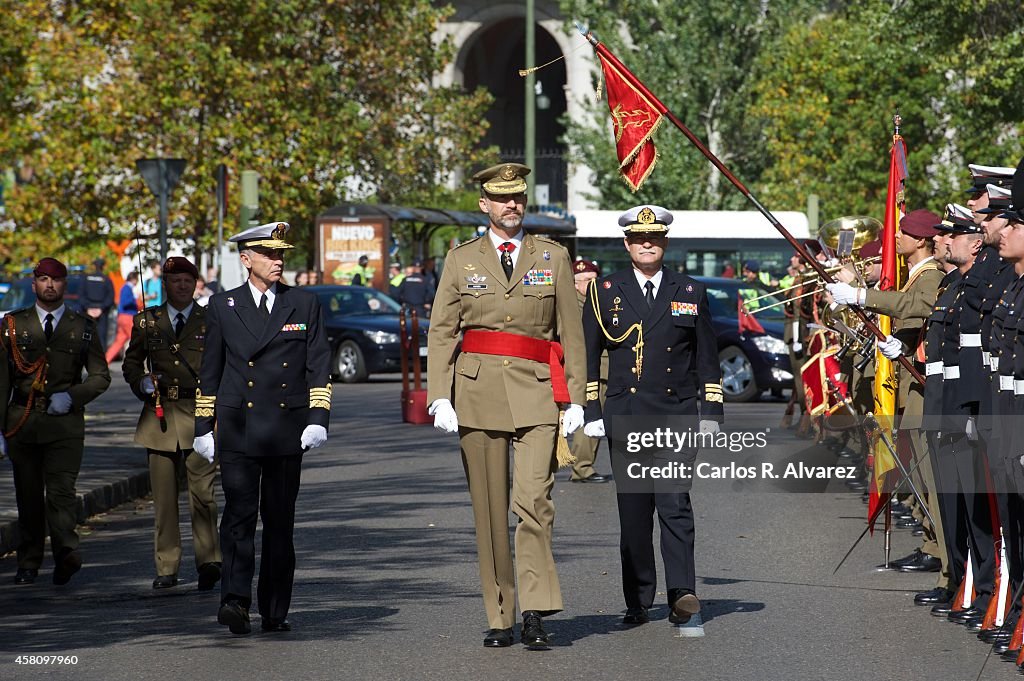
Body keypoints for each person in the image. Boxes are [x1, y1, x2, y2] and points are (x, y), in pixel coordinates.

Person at [426, 162, 586, 648]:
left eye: (517, 197)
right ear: (485, 205)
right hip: (476, 394)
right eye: (502, 198)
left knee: (534, 500)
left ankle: (535, 610)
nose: (511, 205)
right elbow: (442, 331)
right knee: (491, 510)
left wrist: (577, 398)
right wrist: (439, 394)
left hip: (538, 391)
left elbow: (571, 333)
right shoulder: (461, 259)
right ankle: (500, 615)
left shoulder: (553, 257)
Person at [581, 206, 724, 634]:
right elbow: (589, 353)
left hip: (676, 412)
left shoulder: (690, 290)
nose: (648, 243)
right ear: (627, 244)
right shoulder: (605, 290)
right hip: (626, 413)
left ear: (665, 243)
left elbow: (707, 357)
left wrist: (711, 411)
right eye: (640, 238)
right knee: (634, 512)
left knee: (674, 503)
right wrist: (591, 409)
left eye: (655, 238)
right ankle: (639, 598)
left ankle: (682, 595)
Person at [193, 221, 332, 636]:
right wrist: (203, 426)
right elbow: (210, 370)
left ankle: (274, 608)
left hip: (286, 428)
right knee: (238, 517)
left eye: (281, 254)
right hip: (238, 426)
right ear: (245, 259)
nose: (278, 261)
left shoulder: (303, 304)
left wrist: (317, 419)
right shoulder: (223, 306)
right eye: (269, 254)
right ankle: (235, 601)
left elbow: (319, 365)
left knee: (278, 521)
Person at [0, 257, 111, 586]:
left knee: (61, 492)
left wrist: (73, 396)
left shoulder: (82, 327)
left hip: (65, 424)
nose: (50, 284)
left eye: (56, 279)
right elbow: (2, 380)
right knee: (29, 494)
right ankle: (29, 560)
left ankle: (66, 552)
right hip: (23, 422)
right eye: (43, 279)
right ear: (34, 284)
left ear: (65, 285)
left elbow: (101, 376)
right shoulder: (12, 325)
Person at [123, 256, 221, 591]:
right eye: (175, 280)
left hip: (199, 414)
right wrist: (142, 383)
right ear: (165, 284)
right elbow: (131, 363)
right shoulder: (147, 322)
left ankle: (209, 561)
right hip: (160, 416)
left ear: (196, 284)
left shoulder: (210, 321)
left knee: (203, 494)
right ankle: (167, 566)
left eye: (187, 281)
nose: (182, 286)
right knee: (163, 500)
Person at [569, 259, 611, 483]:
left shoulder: (602, 301)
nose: (588, 284)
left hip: (605, 367)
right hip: (587, 368)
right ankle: (581, 468)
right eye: (583, 280)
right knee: (590, 417)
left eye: (592, 280)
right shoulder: (573, 305)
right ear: (574, 284)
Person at [81, 258, 115, 349]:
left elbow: (80, 295)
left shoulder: (86, 279)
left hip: (88, 312)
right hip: (102, 312)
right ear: (103, 267)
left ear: (94, 266)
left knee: (87, 338)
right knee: (101, 339)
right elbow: (111, 297)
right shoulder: (106, 280)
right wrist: (101, 308)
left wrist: (88, 308)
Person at [106, 271, 140, 363]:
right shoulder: (128, 288)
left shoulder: (126, 288)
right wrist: (135, 300)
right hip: (128, 317)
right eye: (137, 279)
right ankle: (139, 364)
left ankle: (105, 361)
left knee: (119, 342)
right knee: (137, 340)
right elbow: (125, 302)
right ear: (133, 279)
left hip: (122, 317)